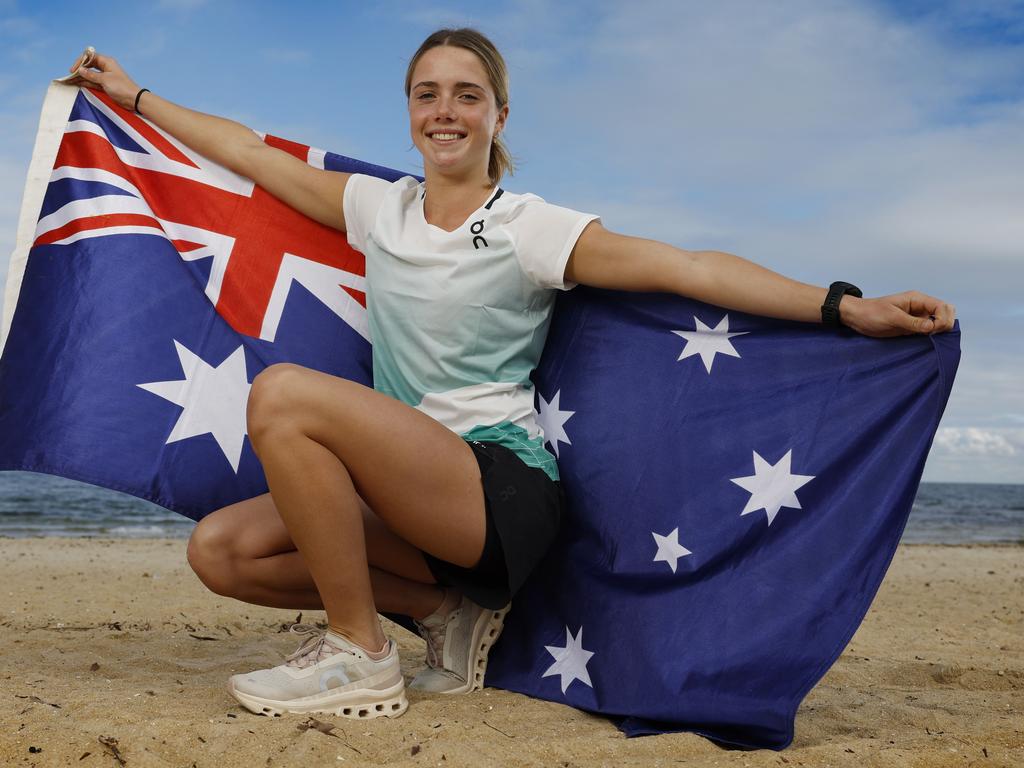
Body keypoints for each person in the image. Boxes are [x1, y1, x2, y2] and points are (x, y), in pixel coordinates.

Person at [67, 28, 956, 721]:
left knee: (284, 397)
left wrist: (844, 306)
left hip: (496, 485)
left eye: (467, 95)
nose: (444, 110)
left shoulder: (527, 225)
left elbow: (687, 268)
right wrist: (134, 95)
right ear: (408, 112)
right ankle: (443, 614)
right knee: (220, 552)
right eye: (427, 95)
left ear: (499, 115)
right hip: (406, 492)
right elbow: (252, 159)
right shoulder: (380, 209)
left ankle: (358, 652)